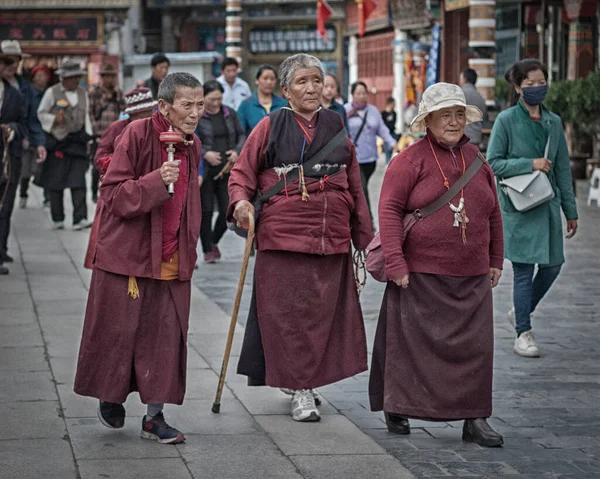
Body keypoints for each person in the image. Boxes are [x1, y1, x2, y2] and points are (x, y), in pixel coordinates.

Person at [228, 53, 373, 423]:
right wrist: (242, 203)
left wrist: (364, 237)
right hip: (283, 237)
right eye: (302, 82)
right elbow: (242, 173)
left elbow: (354, 181)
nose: (312, 88)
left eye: (316, 80)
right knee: (288, 316)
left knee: (320, 316)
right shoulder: (270, 125)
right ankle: (302, 389)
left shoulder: (335, 123)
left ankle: (303, 381)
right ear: (286, 90)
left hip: (330, 236)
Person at [369, 82, 505, 448]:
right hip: (419, 275)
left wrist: (495, 258)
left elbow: (493, 213)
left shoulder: (477, 158)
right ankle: (397, 405)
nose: (454, 121)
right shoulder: (408, 161)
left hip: (472, 275)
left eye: (459, 113)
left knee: (476, 351)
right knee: (408, 347)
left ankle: (475, 418)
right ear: (428, 120)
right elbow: (390, 211)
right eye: (446, 114)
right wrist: (396, 261)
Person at [74, 73, 204, 444]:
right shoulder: (135, 134)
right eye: (187, 105)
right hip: (127, 256)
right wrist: (153, 181)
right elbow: (112, 193)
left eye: (199, 105)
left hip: (171, 256)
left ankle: (154, 417)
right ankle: (110, 394)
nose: (195, 113)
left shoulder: (193, 143)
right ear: (163, 106)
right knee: (117, 332)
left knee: (164, 337)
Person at [487, 59, 578, 358]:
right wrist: (529, 164)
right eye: (531, 84)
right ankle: (523, 333)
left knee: (553, 266)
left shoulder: (553, 121)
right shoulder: (506, 121)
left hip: (548, 204)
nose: (538, 88)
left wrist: (571, 209)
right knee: (524, 271)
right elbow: (493, 163)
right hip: (519, 204)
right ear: (517, 87)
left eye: (542, 83)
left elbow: (563, 170)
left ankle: (521, 310)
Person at [83, 87, 157, 270]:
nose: (146, 118)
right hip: (119, 189)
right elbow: (100, 156)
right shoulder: (116, 128)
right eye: (141, 115)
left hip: (147, 190)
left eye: (149, 113)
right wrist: (122, 164)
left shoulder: (156, 128)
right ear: (131, 115)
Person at [37, 60, 93, 230]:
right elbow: (41, 113)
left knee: (79, 181)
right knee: (56, 181)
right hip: (58, 142)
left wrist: (89, 139)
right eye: (72, 78)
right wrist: (54, 120)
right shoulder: (52, 93)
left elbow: (87, 118)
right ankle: (58, 217)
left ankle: (80, 218)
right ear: (63, 79)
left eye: (77, 77)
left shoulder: (84, 93)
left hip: (77, 142)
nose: (76, 81)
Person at [196, 80, 246, 263]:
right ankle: (207, 249)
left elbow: (242, 134)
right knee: (206, 210)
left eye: (219, 98)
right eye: (212, 99)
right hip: (206, 171)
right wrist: (205, 154)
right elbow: (191, 139)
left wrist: (236, 152)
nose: (216, 103)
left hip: (227, 170)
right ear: (203, 97)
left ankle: (214, 241)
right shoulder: (198, 115)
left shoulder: (229, 114)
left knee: (228, 209)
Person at [0, 41, 47, 213]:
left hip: (13, 148)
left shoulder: (24, 88)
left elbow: (31, 119)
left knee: (6, 202)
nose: (10, 65)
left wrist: (39, 142)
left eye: (14, 60)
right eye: (6, 60)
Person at [345, 81, 397, 218]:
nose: (361, 96)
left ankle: (356, 215)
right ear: (352, 95)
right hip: (354, 158)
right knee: (362, 188)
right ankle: (367, 220)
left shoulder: (373, 111)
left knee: (362, 187)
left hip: (370, 158)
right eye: (358, 93)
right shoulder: (345, 110)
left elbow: (383, 130)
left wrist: (392, 143)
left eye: (364, 93)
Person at [0, 49, 27, 275]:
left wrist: (11, 131)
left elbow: (23, 123)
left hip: (8, 157)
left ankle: (0, 253)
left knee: (5, 205)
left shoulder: (15, 95)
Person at [88, 63, 125, 202]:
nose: (110, 80)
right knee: (97, 165)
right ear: (102, 77)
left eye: (112, 77)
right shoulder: (95, 93)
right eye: (107, 77)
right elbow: (91, 114)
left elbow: (124, 110)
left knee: (113, 164)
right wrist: (95, 132)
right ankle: (93, 193)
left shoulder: (118, 93)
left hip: (115, 135)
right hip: (99, 134)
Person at [19, 65, 50, 209]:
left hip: (45, 134)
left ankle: (47, 198)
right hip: (30, 133)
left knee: (45, 168)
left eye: (44, 75)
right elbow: (24, 115)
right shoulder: (28, 93)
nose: (41, 78)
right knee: (26, 168)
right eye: (39, 75)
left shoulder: (48, 94)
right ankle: (23, 194)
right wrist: (24, 135)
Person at [236, 64, 287, 135]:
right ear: (257, 80)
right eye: (265, 78)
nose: (269, 82)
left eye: (272, 79)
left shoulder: (283, 104)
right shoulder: (246, 105)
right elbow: (240, 133)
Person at [459, 68, 488, 146]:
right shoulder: (480, 97)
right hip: (476, 138)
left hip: (460, 138)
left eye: (460, 78)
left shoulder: (459, 94)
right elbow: (484, 117)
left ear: (465, 79)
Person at [381, 97, 398, 164]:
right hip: (386, 133)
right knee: (387, 149)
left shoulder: (394, 113)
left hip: (392, 132)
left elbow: (394, 123)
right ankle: (387, 163)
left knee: (393, 149)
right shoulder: (383, 113)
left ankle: (391, 162)